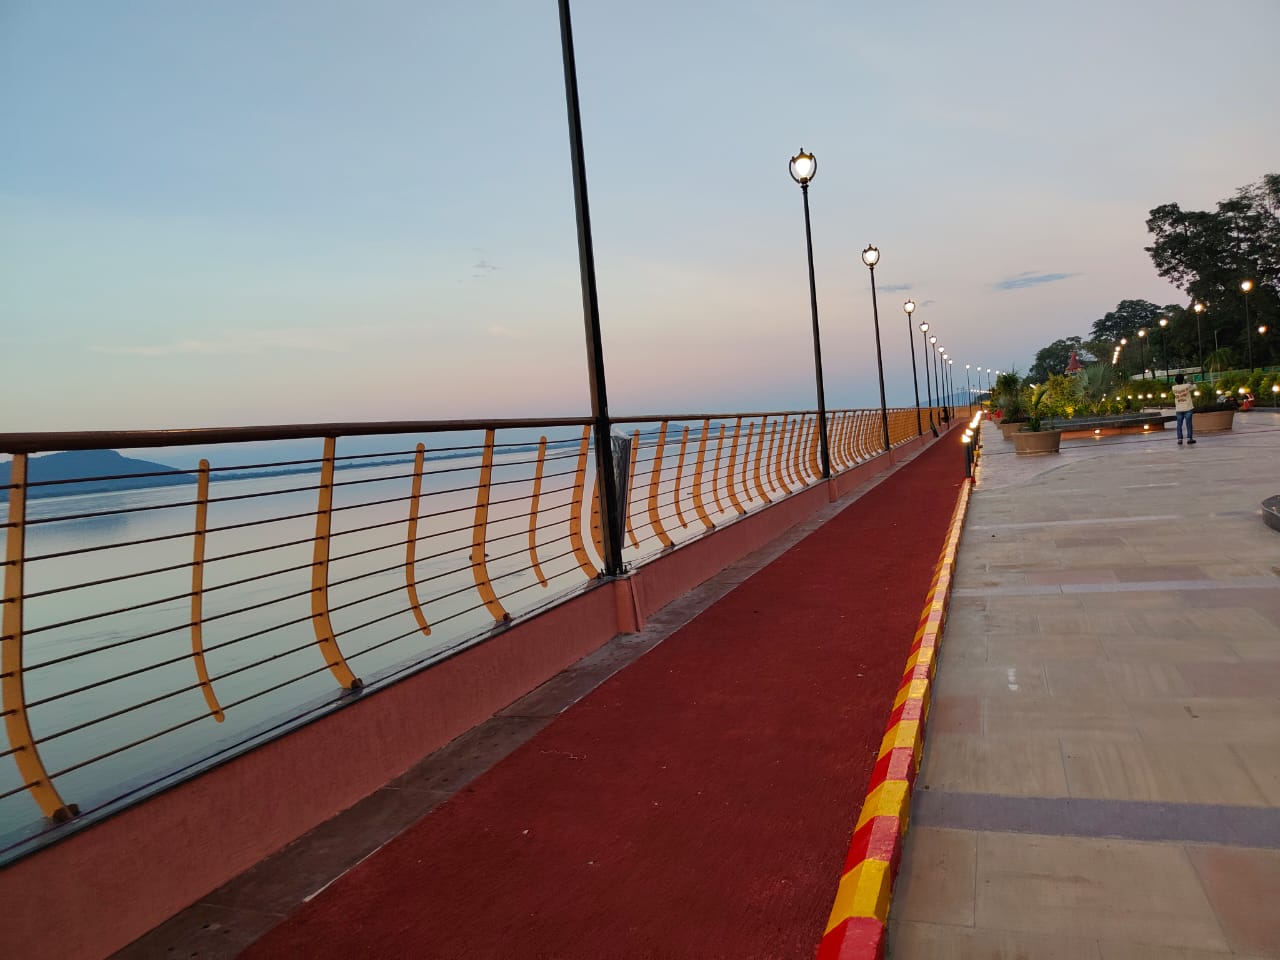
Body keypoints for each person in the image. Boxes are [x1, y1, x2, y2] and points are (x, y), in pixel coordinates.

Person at [1172, 373, 1195, 445]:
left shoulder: (1173, 388)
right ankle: (1189, 438)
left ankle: (1180, 439)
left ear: (1175, 381)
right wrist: (1191, 382)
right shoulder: (1187, 386)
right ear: (1183, 380)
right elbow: (1195, 387)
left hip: (1179, 409)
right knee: (1189, 424)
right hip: (1188, 408)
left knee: (1179, 424)